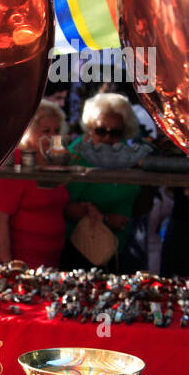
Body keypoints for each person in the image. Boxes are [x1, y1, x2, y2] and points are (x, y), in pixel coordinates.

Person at [63, 92, 147, 270]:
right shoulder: (77, 155)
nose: (108, 138)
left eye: (115, 132)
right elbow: (63, 206)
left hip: (122, 248)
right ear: (90, 128)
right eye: (101, 131)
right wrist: (106, 220)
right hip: (82, 251)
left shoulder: (128, 156)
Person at [0, 100, 69, 267]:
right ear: (31, 131)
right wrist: (8, 266)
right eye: (46, 131)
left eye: (56, 131)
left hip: (52, 260)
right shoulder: (18, 163)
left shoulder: (56, 161)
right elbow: (0, 218)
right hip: (23, 261)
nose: (52, 136)